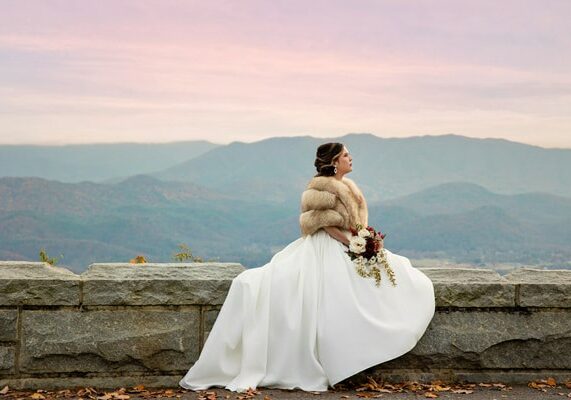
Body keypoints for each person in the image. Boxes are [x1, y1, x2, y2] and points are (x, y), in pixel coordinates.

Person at [179, 142, 435, 392]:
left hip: (350, 242)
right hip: (327, 245)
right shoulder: (320, 189)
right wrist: (353, 243)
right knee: (332, 296)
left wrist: (365, 240)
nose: (351, 158)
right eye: (346, 155)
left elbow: (354, 223)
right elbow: (323, 224)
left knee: (397, 275)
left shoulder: (348, 186)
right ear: (334, 162)